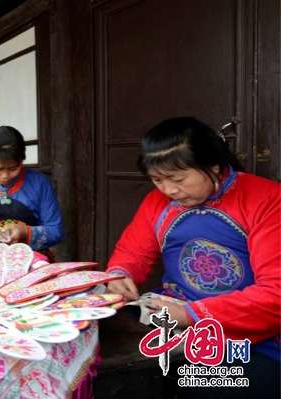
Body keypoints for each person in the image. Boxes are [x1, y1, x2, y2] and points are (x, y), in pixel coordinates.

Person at [106, 117, 280, 397]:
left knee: (196, 386)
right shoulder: (157, 202)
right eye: (156, 179)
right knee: (104, 341)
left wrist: (190, 315)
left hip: (252, 335)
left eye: (177, 179)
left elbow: (276, 296)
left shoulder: (267, 200)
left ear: (213, 165)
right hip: (175, 311)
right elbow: (132, 252)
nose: (168, 190)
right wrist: (120, 273)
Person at [0, 126, 63, 256]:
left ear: (22, 159)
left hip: (33, 262)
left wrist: (25, 231)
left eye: (13, 168)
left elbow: (56, 231)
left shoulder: (40, 183)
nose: (5, 176)